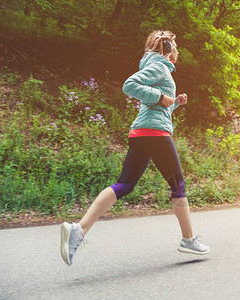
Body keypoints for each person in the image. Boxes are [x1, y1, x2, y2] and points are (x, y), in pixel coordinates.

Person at [60, 30, 210, 266]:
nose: (178, 51)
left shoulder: (157, 67)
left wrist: (174, 104)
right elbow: (130, 85)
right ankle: (189, 240)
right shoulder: (160, 66)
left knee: (124, 185)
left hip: (143, 132)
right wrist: (161, 96)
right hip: (155, 134)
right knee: (177, 184)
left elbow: (156, 108)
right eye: (175, 47)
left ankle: (78, 230)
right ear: (168, 48)